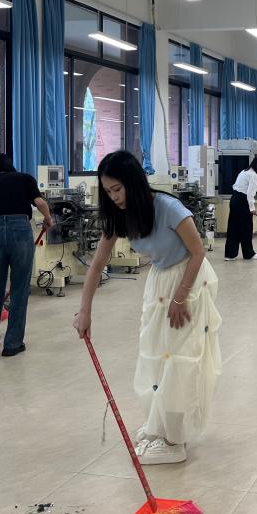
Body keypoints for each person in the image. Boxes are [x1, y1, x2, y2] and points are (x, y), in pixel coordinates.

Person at [74, 151, 221, 466]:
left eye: (118, 189)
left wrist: (180, 298)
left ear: (134, 183)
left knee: (178, 360)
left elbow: (198, 252)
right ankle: (159, 424)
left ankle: (174, 440)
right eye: (108, 191)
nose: (114, 197)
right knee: (155, 355)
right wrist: (85, 310)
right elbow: (97, 265)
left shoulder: (169, 208)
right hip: (159, 282)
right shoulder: (119, 215)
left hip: (188, 279)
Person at [0, 153, 54, 356]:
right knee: (19, 288)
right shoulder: (24, 178)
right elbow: (40, 203)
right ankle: (12, 344)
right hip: (19, 228)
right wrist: (48, 219)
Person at [225, 157, 257, 261]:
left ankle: (230, 255)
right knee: (246, 228)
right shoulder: (254, 175)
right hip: (243, 202)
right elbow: (250, 193)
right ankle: (248, 254)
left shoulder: (244, 171)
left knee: (233, 227)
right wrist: (252, 208)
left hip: (235, 200)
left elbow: (244, 187)